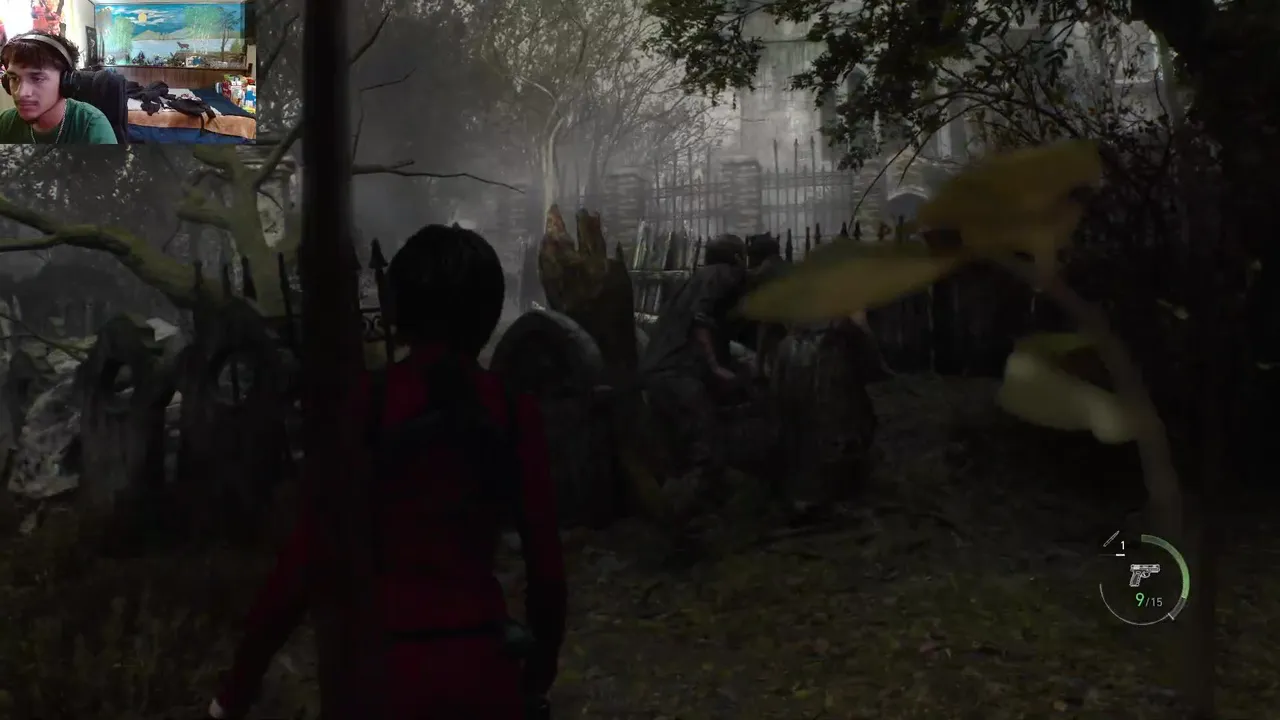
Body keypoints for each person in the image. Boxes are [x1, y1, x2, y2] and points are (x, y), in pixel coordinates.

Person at [208, 225, 567, 719]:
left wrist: (236, 690)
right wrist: (536, 675)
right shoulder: (511, 410)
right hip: (482, 668)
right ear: (487, 312)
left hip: (381, 673)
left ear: (399, 309)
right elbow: (546, 569)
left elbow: (305, 559)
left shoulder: (366, 405)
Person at [639, 233, 749, 521]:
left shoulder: (692, 281)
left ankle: (677, 517)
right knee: (706, 453)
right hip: (679, 375)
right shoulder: (723, 275)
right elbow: (701, 320)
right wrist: (714, 366)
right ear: (737, 258)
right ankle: (678, 527)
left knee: (678, 457)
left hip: (656, 373)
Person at [0, 31, 117, 144]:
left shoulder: (91, 126)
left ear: (66, 81)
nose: (21, 93)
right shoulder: (5, 123)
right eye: (14, 78)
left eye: (37, 79)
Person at [744, 233, 789, 378]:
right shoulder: (780, 263)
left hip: (773, 312)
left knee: (764, 343)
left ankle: (761, 371)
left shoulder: (769, 263)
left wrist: (738, 268)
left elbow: (753, 276)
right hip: (782, 311)